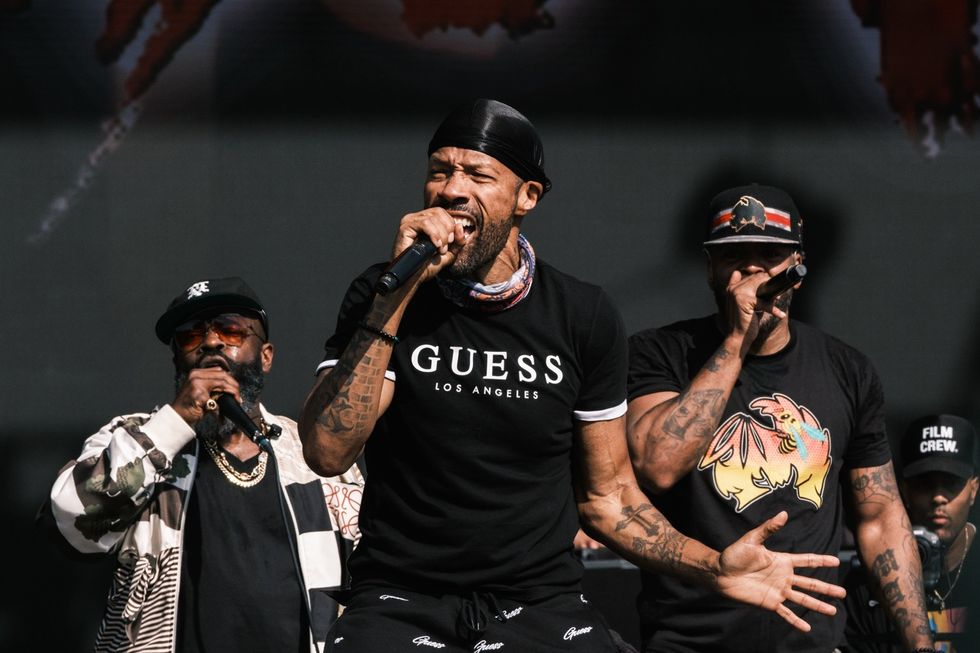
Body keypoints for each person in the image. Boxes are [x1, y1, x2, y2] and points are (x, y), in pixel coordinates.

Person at [298, 100, 846, 653]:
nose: (451, 190)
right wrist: (394, 298)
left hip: (536, 603)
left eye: (478, 175)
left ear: (526, 197)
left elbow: (609, 498)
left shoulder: (581, 315)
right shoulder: (386, 294)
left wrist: (713, 567)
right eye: (439, 171)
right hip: (402, 598)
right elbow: (327, 450)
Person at [626, 184, 934, 653]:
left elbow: (879, 515)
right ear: (710, 269)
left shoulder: (847, 369)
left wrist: (920, 644)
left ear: (797, 270)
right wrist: (736, 342)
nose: (751, 268)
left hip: (810, 640)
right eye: (734, 255)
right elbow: (657, 465)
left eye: (768, 254)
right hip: (691, 640)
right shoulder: (659, 353)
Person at [42, 277, 363, 653]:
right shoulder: (136, 438)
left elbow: (367, 579)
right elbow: (72, 522)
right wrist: (176, 421)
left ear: (266, 356)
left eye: (231, 330)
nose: (211, 342)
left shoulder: (312, 454)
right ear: (178, 359)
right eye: (191, 336)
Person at [844, 414, 979, 652]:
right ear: (904, 490)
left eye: (951, 482)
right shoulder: (867, 581)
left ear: (973, 489)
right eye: (925, 484)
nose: (938, 497)